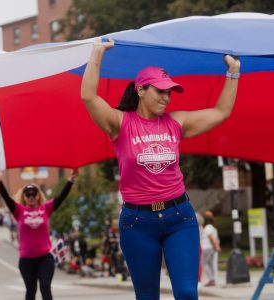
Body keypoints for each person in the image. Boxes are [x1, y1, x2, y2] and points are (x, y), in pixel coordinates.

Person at [81, 39, 240, 299]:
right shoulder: (120, 124)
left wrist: (233, 72)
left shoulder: (177, 122)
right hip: (137, 222)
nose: (166, 98)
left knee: (188, 293)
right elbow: (88, 96)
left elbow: (221, 111)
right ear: (141, 90)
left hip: (179, 217)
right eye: (160, 91)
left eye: (169, 93)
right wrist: (97, 53)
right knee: (147, 297)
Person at [0, 168, 78, 300]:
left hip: (45, 258)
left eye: (34, 194)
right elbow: (7, 198)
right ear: (24, 197)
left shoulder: (46, 208)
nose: (31, 197)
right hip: (26, 259)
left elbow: (61, 197)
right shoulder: (18, 210)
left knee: (45, 287)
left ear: (38, 196)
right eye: (28, 194)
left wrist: (71, 179)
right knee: (31, 291)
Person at [201, 211, 220, 287]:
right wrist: (216, 246)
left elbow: (211, 238)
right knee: (210, 264)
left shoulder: (208, 227)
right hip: (211, 248)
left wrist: (215, 246)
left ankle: (212, 280)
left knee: (204, 263)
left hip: (207, 247)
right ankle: (213, 279)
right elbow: (216, 238)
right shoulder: (212, 227)